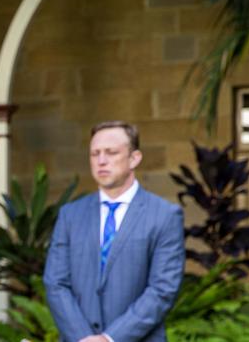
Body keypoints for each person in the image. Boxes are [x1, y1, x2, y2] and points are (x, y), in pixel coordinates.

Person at [43, 121, 185, 342]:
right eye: (94, 153)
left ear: (134, 158)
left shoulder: (165, 215)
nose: (101, 161)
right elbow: (55, 282)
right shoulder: (70, 215)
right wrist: (84, 338)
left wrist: (110, 338)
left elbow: (162, 289)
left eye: (111, 152)